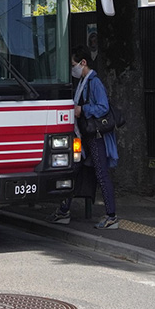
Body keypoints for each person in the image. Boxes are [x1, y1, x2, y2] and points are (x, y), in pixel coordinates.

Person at [49, 44, 120, 230]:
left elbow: (103, 107)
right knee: (75, 170)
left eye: (74, 65)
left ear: (83, 62)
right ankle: (64, 210)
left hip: (94, 136)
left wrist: (83, 110)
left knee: (98, 173)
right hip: (86, 136)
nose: (73, 69)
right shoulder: (84, 81)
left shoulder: (93, 82)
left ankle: (111, 215)